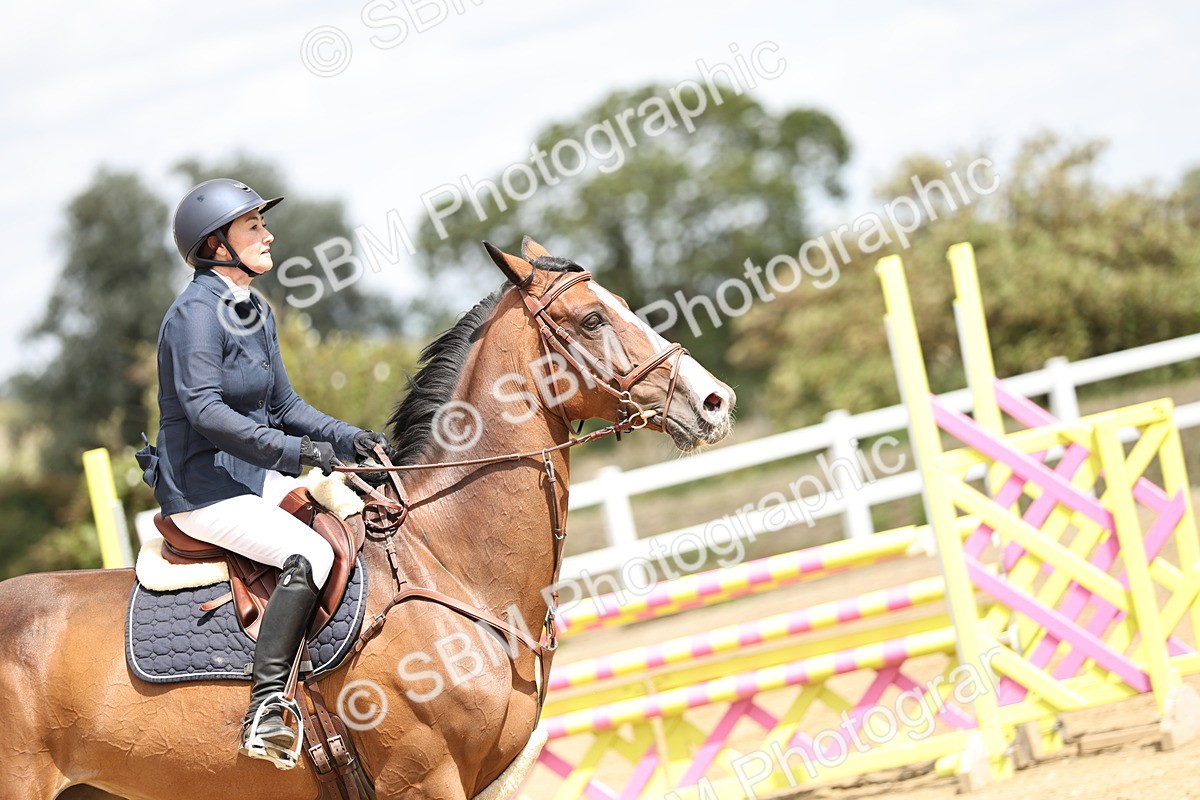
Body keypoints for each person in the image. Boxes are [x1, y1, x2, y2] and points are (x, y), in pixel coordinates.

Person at [150, 178, 391, 767]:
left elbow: (285, 405)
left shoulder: (252, 309)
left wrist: (348, 436)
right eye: (254, 226)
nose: (269, 235)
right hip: (204, 489)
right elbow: (206, 412)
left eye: (263, 224)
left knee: (358, 520)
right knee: (309, 554)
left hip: (252, 480)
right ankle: (265, 712)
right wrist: (295, 452)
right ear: (217, 244)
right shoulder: (194, 315)